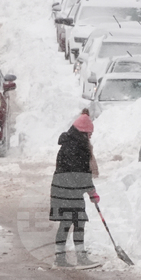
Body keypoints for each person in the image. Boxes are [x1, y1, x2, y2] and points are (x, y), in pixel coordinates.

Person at [50, 112, 99, 268]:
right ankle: (77, 257)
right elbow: (82, 174)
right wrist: (92, 192)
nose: (91, 136)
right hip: (68, 190)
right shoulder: (79, 148)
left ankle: (61, 257)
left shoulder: (69, 144)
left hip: (62, 189)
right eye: (90, 133)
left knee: (69, 222)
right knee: (76, 222)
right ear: (84, 132)